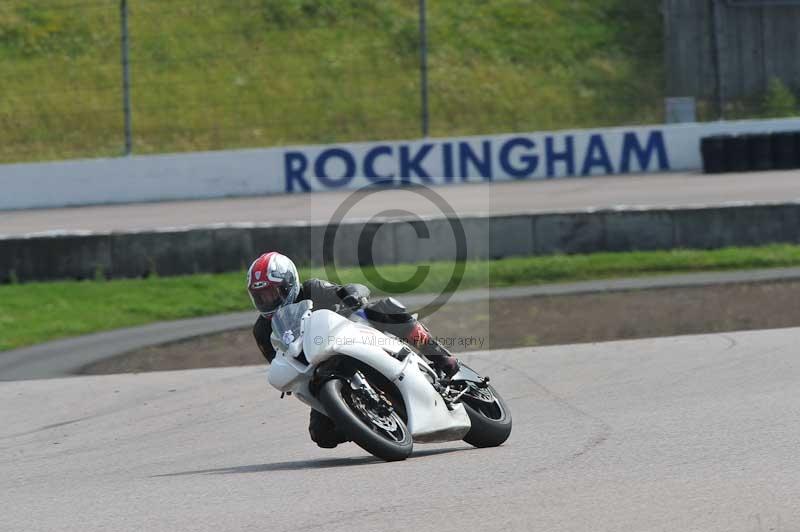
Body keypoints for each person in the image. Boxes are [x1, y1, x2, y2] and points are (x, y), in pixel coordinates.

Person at [248, 251, 459, 449]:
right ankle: (363, 422)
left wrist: (352, 295)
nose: (267, 300)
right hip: (317, 371)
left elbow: (351, 290)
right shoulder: (262, 330)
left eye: (271, 293)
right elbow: (278, 360)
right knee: (321, 435)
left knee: (383, 309)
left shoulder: (313, 289)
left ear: (289, 284)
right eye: (261, 296)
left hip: (352, 339)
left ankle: (439, 355)